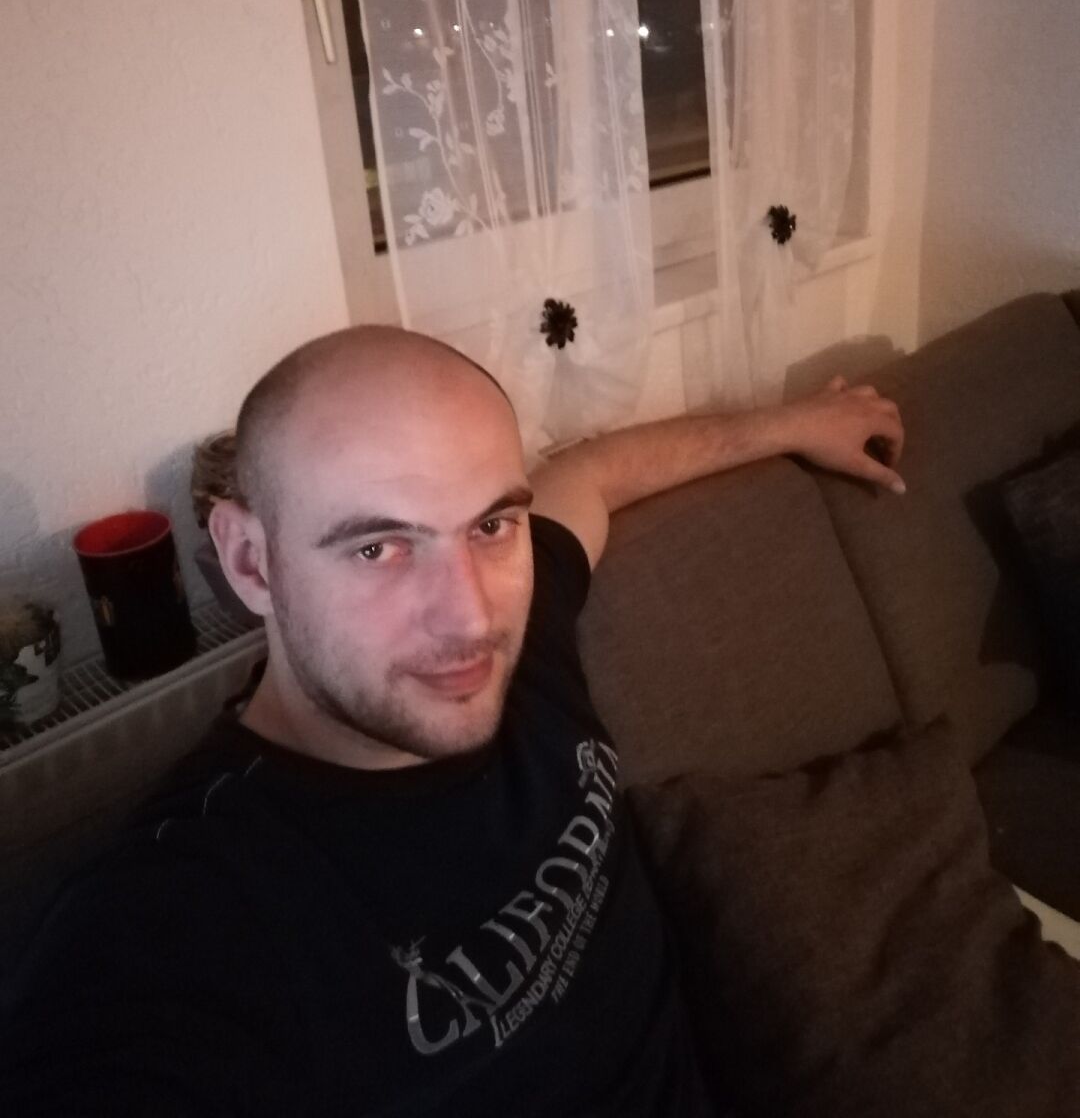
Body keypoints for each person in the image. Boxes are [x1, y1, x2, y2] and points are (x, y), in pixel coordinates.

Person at [4, 326, 904, 1116]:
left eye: (490, 526)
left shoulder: (520, 645)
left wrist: (794, 425)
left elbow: (587, 472)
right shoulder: (168, 929)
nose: (471, 619)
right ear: (250, 563)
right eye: (378, 547)